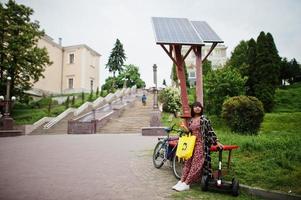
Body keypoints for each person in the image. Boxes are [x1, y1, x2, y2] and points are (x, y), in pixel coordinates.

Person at [172, 101, 223, 192]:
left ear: (201, 109)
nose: (197, 108)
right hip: (192, 144)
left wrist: (216, 142)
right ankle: (182, 180)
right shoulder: (191, 120)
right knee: (188, 163)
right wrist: (185, 128)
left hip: (201, 144)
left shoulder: (204, 119)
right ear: (193, 109)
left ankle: (187, 183)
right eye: (195, 106)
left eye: (199, 106)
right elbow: (190, 132)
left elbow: (210, 131)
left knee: (196, 164)